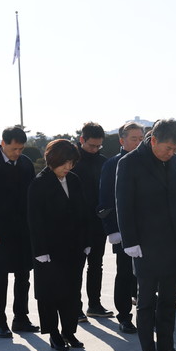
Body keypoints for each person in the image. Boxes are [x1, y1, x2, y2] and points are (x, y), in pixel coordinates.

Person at [116, 119, 176, 351]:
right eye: (168, 148)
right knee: (147, 302)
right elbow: (123, 203)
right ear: (154, 141)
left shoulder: (173, 161)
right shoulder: (129, 163)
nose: (171, 153)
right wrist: (130, 241)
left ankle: (167, 349)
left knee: (170, 300)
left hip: (173, 240)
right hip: (146, 243)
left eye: (175, 149)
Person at [0, 126, 39, 338]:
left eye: (21, 149)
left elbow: (32, 196)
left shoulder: (26, 163)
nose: (18, 153)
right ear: (3, 143)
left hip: (24, 229)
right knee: (0, 277)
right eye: (14, 149)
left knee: (23, 275)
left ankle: (21, 318)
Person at [27, 140, 90, 351]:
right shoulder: (39, 183)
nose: (68, 167)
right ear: (53, 159)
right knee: (50, 293)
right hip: (49, 250)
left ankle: (69, 331)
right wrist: (40, 251)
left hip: (74, 248)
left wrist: (86, 242)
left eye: (71, 163)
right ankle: (53, 333)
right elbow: (34, 220)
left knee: (72, 292)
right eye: (64, 162)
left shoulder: (74, 180)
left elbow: (83, 213)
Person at [97, 121, 145, 334]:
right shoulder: (113, 164)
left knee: (146, 276)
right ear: (122, 140)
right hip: (123, 229)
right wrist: (112, 230)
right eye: (134, 139)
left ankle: (147, 314)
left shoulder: (149, 161)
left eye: (141, 138)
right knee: (125, 274)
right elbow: (105, 200)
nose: (138, 143)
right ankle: (124, 316)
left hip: (147, 229)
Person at [72, 122, 111, 321]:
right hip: (77, 224)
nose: (95, 149)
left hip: (98, 223)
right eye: (91, 145)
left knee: (96, 265)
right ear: (82, 140)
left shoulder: (104, 162)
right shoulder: (71, 161)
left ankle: (94, 305)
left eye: (98, 146)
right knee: (76, 267)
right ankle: (75, 308)